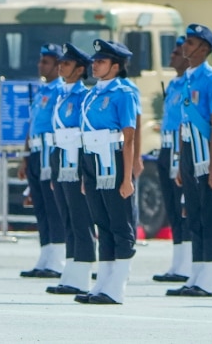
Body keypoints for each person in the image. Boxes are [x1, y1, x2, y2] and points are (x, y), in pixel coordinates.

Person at [74, 40, 139, 305]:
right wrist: (83, 174)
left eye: (101, 61)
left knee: (119, 223)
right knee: (102, 222)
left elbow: (129, 136)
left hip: (113, 159)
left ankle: (117, 286)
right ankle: (103, 283)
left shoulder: (123, 93)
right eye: (95, 60)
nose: (95, 65)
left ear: (116, 65)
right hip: (92, 160)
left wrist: (127, 177)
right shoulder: (92, 93)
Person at [167, 25, 212, 297]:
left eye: (190, 43)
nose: (184, 48)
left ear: (204, 49)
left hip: (207, 155)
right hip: (190, 153)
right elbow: (183, 125)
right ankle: (196, 274)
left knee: (210, 216)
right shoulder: (187, 79)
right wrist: (181, 162)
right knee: (194, 215)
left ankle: (210, 278)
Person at [46, 44, 95, 296]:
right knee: (67, 217)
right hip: (61, 158)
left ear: (80, 69)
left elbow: (85, 132)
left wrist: (86, 171)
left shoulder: (83, 95)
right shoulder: (61, 94)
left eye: (66, 63)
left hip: (76, 160)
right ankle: (71, 271)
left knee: (80, 218)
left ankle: (82, 274)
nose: (60, 66)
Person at [20, 43, 67, 279]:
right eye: (41, 60)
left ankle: (57, 259)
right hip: (37, 151)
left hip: (51, 150)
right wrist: (25, 156)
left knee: (53, 205)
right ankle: (45, 255)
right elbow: (32, 125)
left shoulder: (60, 90)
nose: (41, 65)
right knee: (40, 206)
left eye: (46, 61)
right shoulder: (41, 91)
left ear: (59, 66)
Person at [153, 37, 191, 283]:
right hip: (166, 147)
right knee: (172, 207)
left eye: (176, 53)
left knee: (183, 206)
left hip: (181, 148)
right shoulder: (175, 84)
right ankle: (177, 261)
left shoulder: (190, 83)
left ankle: (186, 262)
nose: (171, 57)